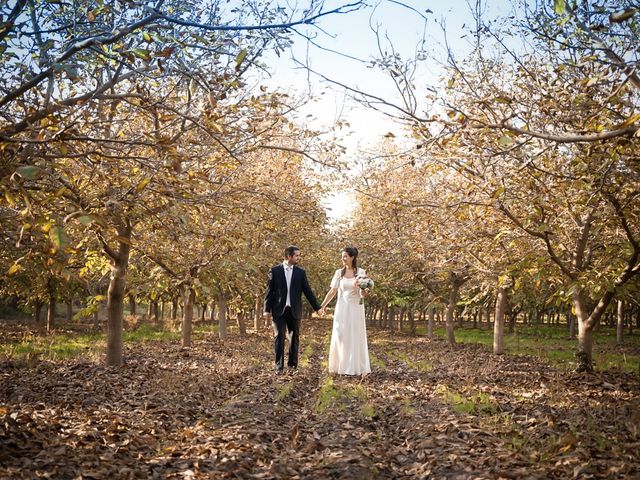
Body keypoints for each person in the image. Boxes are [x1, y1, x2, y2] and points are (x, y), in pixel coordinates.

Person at [264, 245, 322, 374]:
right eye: (297, 255)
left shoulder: (300, 272)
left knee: (294, 337)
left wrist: (317, 307)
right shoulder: (274, 270)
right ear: (289, 256)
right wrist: (266, 310)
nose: (298, 258)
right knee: (279, 336)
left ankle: (292, 366)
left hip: (294, 309)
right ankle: (279, 366)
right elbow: (269, 291)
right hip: (279, 310)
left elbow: (307, 291)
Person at [319, 247, 371, 376]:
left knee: (354, 334)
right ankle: (340, 365)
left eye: (345, 256)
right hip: (342, 307)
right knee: (341, 335)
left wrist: (364, 290)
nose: (343, 258)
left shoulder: (360, 272)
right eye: (342, 256)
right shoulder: (339, 273)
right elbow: (333, 291)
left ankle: (354, 366)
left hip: (355, 308)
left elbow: (363, 294)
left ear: (352, 257)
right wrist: (322, 306)